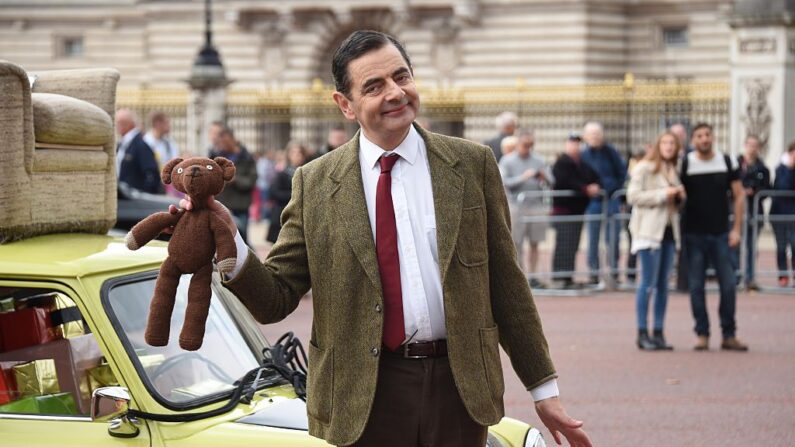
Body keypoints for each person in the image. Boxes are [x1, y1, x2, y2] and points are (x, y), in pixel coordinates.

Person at [178, 30, 591, 447]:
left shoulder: (471, 164)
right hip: (362, 393)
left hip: (460, 388)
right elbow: (277, 297)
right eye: (374, 86)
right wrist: (231, 241)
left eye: (402, 76)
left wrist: (544, 391)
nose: (395, 93)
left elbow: (507, 285)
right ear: (345, 105)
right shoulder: (315, 183)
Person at [680, 123, 748, 351]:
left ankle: (728, 333)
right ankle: (702, 333)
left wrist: (736, 228)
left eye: (707, 135)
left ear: (713, 137)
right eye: (699, 136)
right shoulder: (686, 163)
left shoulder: (727, 161)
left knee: (728, 285)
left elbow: (739, 196)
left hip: (721, 233)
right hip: (693, 234)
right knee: (696, 286)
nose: (704, 139)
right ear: (693, 140)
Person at [627, 132, 685, 351]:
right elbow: (633, 196)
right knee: (647, 283)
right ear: (658, 145)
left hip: (669, 231)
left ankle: (658, 331)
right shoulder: (644, 167)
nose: (669, 146)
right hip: (649, 231)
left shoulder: (674, 170)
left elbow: (675, 202)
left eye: (673, 143)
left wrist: (679, 196)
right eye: (665, 142)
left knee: (663, 285)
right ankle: (642, 332)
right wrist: (663, 194)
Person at [499, 129, 553, 287]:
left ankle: (534, 275)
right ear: (518, 143)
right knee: (517, 242)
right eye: (525, 145)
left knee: (535, 242)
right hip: (516, 207)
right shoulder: (507, 161)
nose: (528, 148)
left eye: (531, 145)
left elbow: (552, 180)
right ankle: (520, 275)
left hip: (536, 205)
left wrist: (545, 176)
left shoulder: (539, 160)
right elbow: (503, 182)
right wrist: (523, 177)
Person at [550, 133, 601, 289]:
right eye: (572, 143)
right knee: (564, 243)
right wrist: (585, 188)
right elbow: (564, 181)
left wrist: (595, 186)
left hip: (577, 211)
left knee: (572, 244)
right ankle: (560, 276)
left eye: (578, 143)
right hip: (564, 210)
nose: (575, 146)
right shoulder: (562, 163)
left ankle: (568, 275)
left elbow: (594, 176)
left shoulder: (582, 164)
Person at [581, 121, 626, 285]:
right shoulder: (583, 155)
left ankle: (613, 271)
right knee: (592, 238)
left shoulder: (611, 152)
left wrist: (613, 189)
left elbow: (622, 173)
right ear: (585, 136)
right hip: (593, 202)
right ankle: (593, 272)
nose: (595, 136)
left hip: (612, 199)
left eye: (597, 133)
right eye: (591, 134)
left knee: (613, 238)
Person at [209, 125, 257, 244]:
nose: (222, 145)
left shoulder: (246, 156)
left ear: (232, 139)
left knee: (242, 239)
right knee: (223, 239)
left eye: (225, 142)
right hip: (223, 204)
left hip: (241, 205)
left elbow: (252, 180)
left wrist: (235, 180)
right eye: (221, 143)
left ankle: (249, 261)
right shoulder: (216, 156)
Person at [734, 135, 770, 291]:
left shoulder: (763, 168)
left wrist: (754, 191)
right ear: (745, 145)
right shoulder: (736, 165)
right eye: (750, 144)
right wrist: (740, 190)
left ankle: (750, 278)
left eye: (755, 145)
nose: (752, 148)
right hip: (737, 212)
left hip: (755, 213)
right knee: (735, 245)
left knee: (751, 246)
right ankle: (735, 277)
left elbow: (767, 189)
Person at [265, 141, 307, 244]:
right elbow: (274, 193)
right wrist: (295, 195)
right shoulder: (282, 173)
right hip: (282, 213)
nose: (297, 156)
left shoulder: (307, 173)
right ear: (288, 155)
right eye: (293, 153)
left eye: (299, 153)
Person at [116, 108, 162, 194]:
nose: (117, 127)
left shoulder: (140, 144)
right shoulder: (123, 144)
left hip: (136, 200)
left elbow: (151, 174)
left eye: (119, 123)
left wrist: (142, 195)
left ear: (127, 124)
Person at [770, 142, 795, 287]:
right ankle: (783, 274)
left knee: (794, 244)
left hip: (793, 215)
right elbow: (782, 187)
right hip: (779, 214)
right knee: (781, 246)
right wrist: (790, 169)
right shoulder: (781, 169)